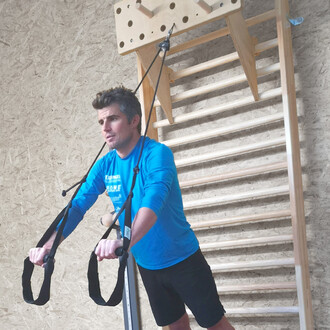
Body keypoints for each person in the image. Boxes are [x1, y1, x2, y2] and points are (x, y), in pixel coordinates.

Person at [29, 86, 234, 330]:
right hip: (148, 265)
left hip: (184, 260)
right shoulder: (105, 165)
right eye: (101, 121)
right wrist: (50, 246)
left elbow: (152, 202)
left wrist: (123, 241)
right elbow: (78, 205)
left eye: (112, 119)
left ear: (134, 120)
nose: (105, 128)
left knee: (216, 326)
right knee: (176, 327)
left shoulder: (157, 154)